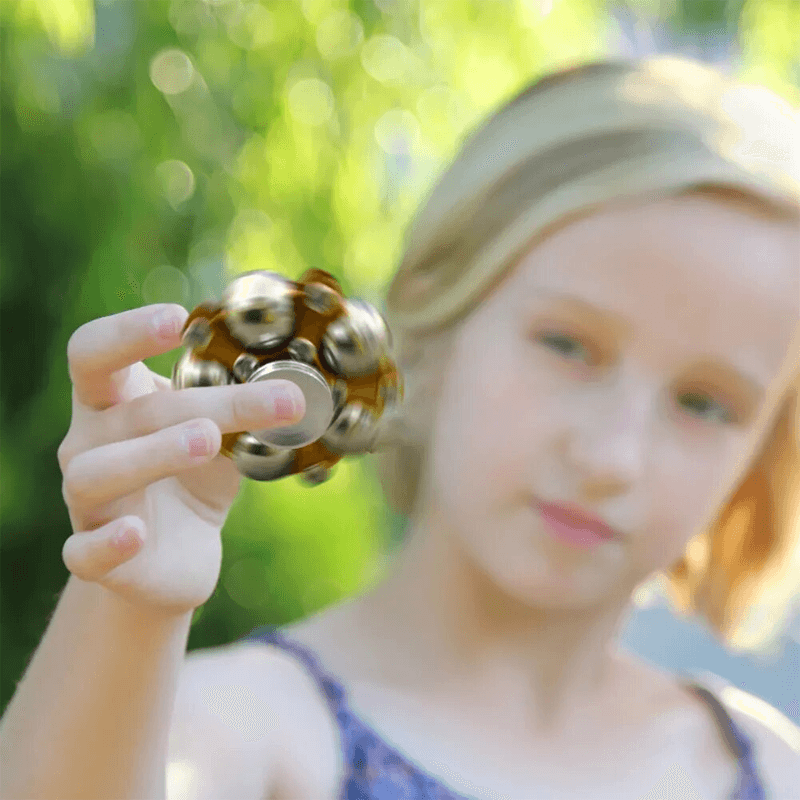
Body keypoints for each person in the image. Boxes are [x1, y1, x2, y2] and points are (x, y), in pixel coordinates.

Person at [1, 55, 798, 800]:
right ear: (435, 317)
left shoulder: (764, 767)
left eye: (706, 404)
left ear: (762, 452)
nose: (611, 457)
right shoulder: (246, 729)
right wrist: (128, 610)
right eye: (568, 346)